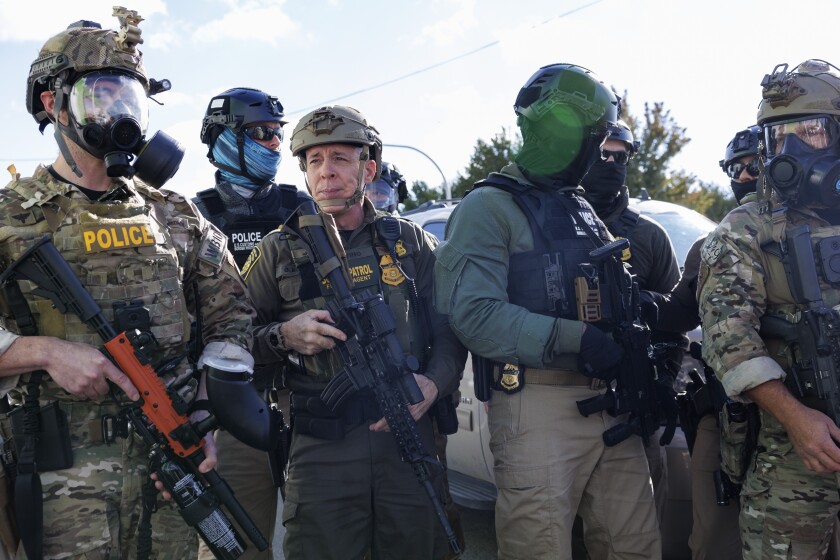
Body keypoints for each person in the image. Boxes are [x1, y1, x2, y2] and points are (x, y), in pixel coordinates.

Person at [0, 10, 255, 559]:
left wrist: (204, 413)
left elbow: (232, 317)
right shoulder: (9, 219)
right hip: (63, 485)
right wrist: (43, 352)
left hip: (173, 472)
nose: (117, 112)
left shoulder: (176, 214)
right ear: (54, 104)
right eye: (100, 96)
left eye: (128, 97)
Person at [434, 63, 660, 559]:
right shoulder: (488, 207)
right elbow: (474, 315)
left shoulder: (578, 206)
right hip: (539, 406)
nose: (595, 152)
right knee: (539, 547)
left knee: (635, 547)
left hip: (612, 404)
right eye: (591, 137)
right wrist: (577, 339)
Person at [241, 104, 465, 559]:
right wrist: (284, 335)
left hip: (408, 439)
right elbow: (229, 340)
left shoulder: (410, 243)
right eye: (315, 161)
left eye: (340, 159)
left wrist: (434, 383)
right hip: (322, 450)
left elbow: (451, 329)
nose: (327, 173)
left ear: (369, 167)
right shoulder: (277, 250)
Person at [698, 59, 840, 559]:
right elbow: (728, 336)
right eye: (780, 137)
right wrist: (797, 418)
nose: (793, 149)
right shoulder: (745, 228)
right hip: (798, 447)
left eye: (811, 131)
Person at [193, 87, 298, 560]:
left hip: (307, 398)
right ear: (222, 141)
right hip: (232, 404)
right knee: (239, 544)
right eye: (260, 134)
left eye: (277, 135)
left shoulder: (303, 208)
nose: (274, 145)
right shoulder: (190, 217)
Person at [647, 125, 760, 560]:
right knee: (714, 538)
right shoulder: (712, 245)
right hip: (727, 413)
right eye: (737, 167)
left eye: (755, 165)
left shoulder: (815, 239)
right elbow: (674, 316)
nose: (746, 175)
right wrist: (635, 300)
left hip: (805, 414)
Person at [580, 118, 682, 527]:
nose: (612, 163)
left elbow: (677, 317)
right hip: (567, 401)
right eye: (604, 154)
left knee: (637, 531)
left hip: (634, 406)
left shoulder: (649, 236)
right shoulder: (552, 227)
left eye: (622, 156)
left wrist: (662, 385)